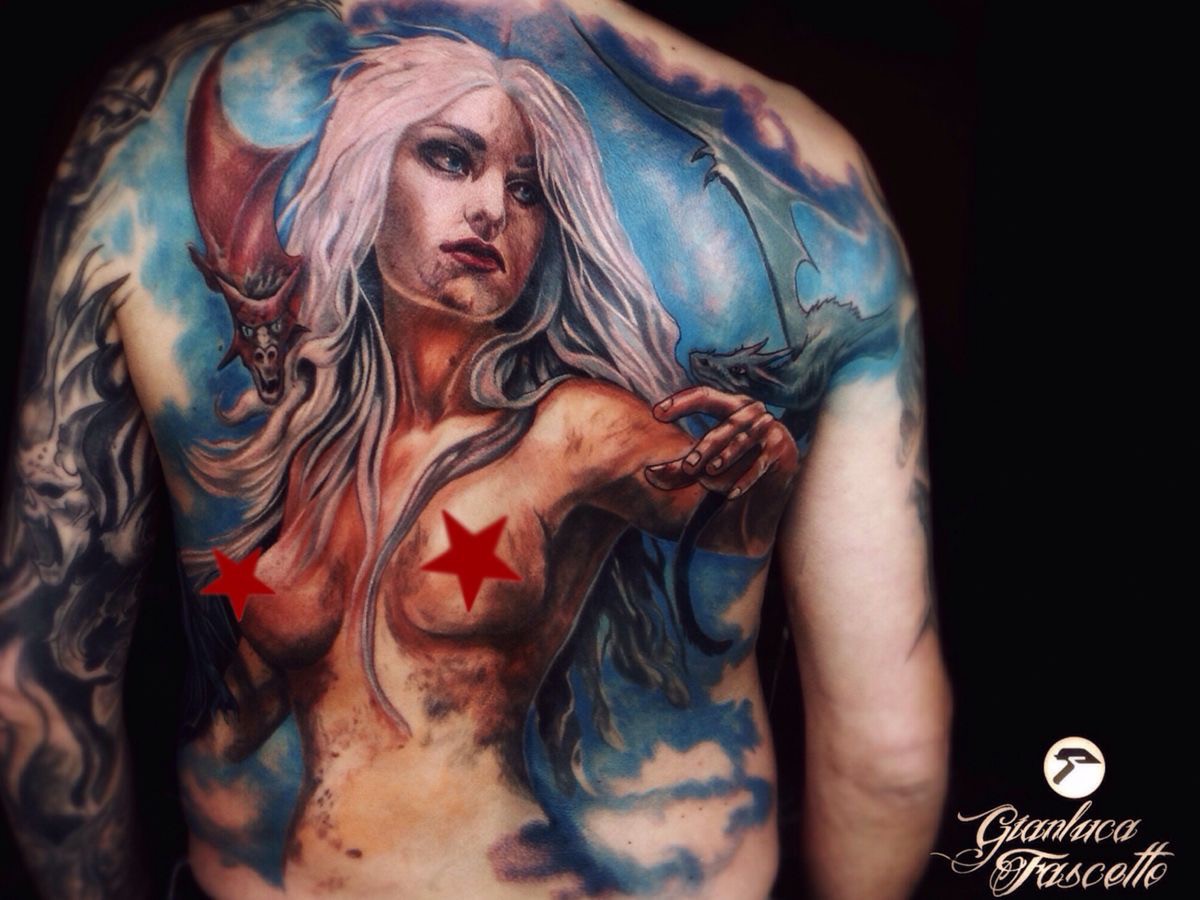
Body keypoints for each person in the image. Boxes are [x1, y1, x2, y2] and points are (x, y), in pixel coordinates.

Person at [0, 2, 951, 898]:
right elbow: (889, 757)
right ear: (367, 174)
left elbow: (39, 698)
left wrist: (756, 471)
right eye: (450, 158)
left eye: (528, 189)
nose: (493, 205)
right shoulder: (320, 462)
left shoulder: (571, 428)